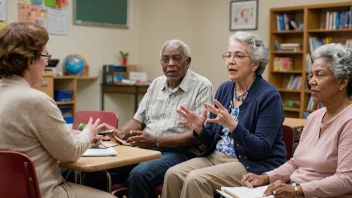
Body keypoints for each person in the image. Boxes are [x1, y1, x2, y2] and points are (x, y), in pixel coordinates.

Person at [162, 31, 286, 198]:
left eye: (238, 56)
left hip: (249, 163)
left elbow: (261, 149)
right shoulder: (225, 89)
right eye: (228, 55)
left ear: (255, 64)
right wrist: (200, 129)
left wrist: (233, 126)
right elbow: (211, 139)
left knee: (196, 179)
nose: (231, 61)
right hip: (215, 156)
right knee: (173, 174)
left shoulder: (269, 96)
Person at [84, 39, 213, 197]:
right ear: (161, 63)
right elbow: (138, 121)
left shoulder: (202, 86)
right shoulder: (156, 84)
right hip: (147, 149)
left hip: (181, 152)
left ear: (188, 62)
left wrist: (156, 140)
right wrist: (122, 132)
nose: (170, 64)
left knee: (140, 175)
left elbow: (198, 136)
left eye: (176, 59)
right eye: (166, 59)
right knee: (97, 169)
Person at [0, 22, 116, 198]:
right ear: (30, 60)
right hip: (44, 192)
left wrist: (73, 135)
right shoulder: (37, 100)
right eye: (45, 55)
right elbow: (70, 153)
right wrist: (89, 133)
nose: (46, 62)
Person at [241, 43, 352, 198]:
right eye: (311, 75)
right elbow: (296, 163)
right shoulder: (314, 117)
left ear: (343, 82)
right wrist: (265, 177)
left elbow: (346, 180)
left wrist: (298, 190)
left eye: (320, 75)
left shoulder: (349, 121)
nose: (312, 81)